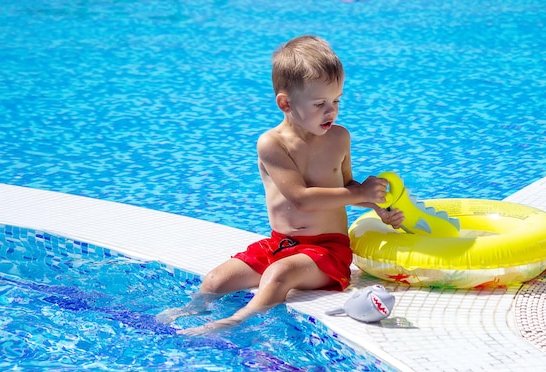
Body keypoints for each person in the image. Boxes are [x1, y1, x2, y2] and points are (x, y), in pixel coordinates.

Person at [157, 35, 404, 335]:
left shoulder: (339, 138)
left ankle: (234, 321)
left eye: (337, 100)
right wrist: (359, 193)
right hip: (281, 244)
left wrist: (377, 205)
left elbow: (346, 187)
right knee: (215, 280)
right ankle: (189, 310)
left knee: (277, 275)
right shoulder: (272, 145)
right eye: (320, 103)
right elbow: (300, 198)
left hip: (328, 252)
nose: (331, 111)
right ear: (286, 103)